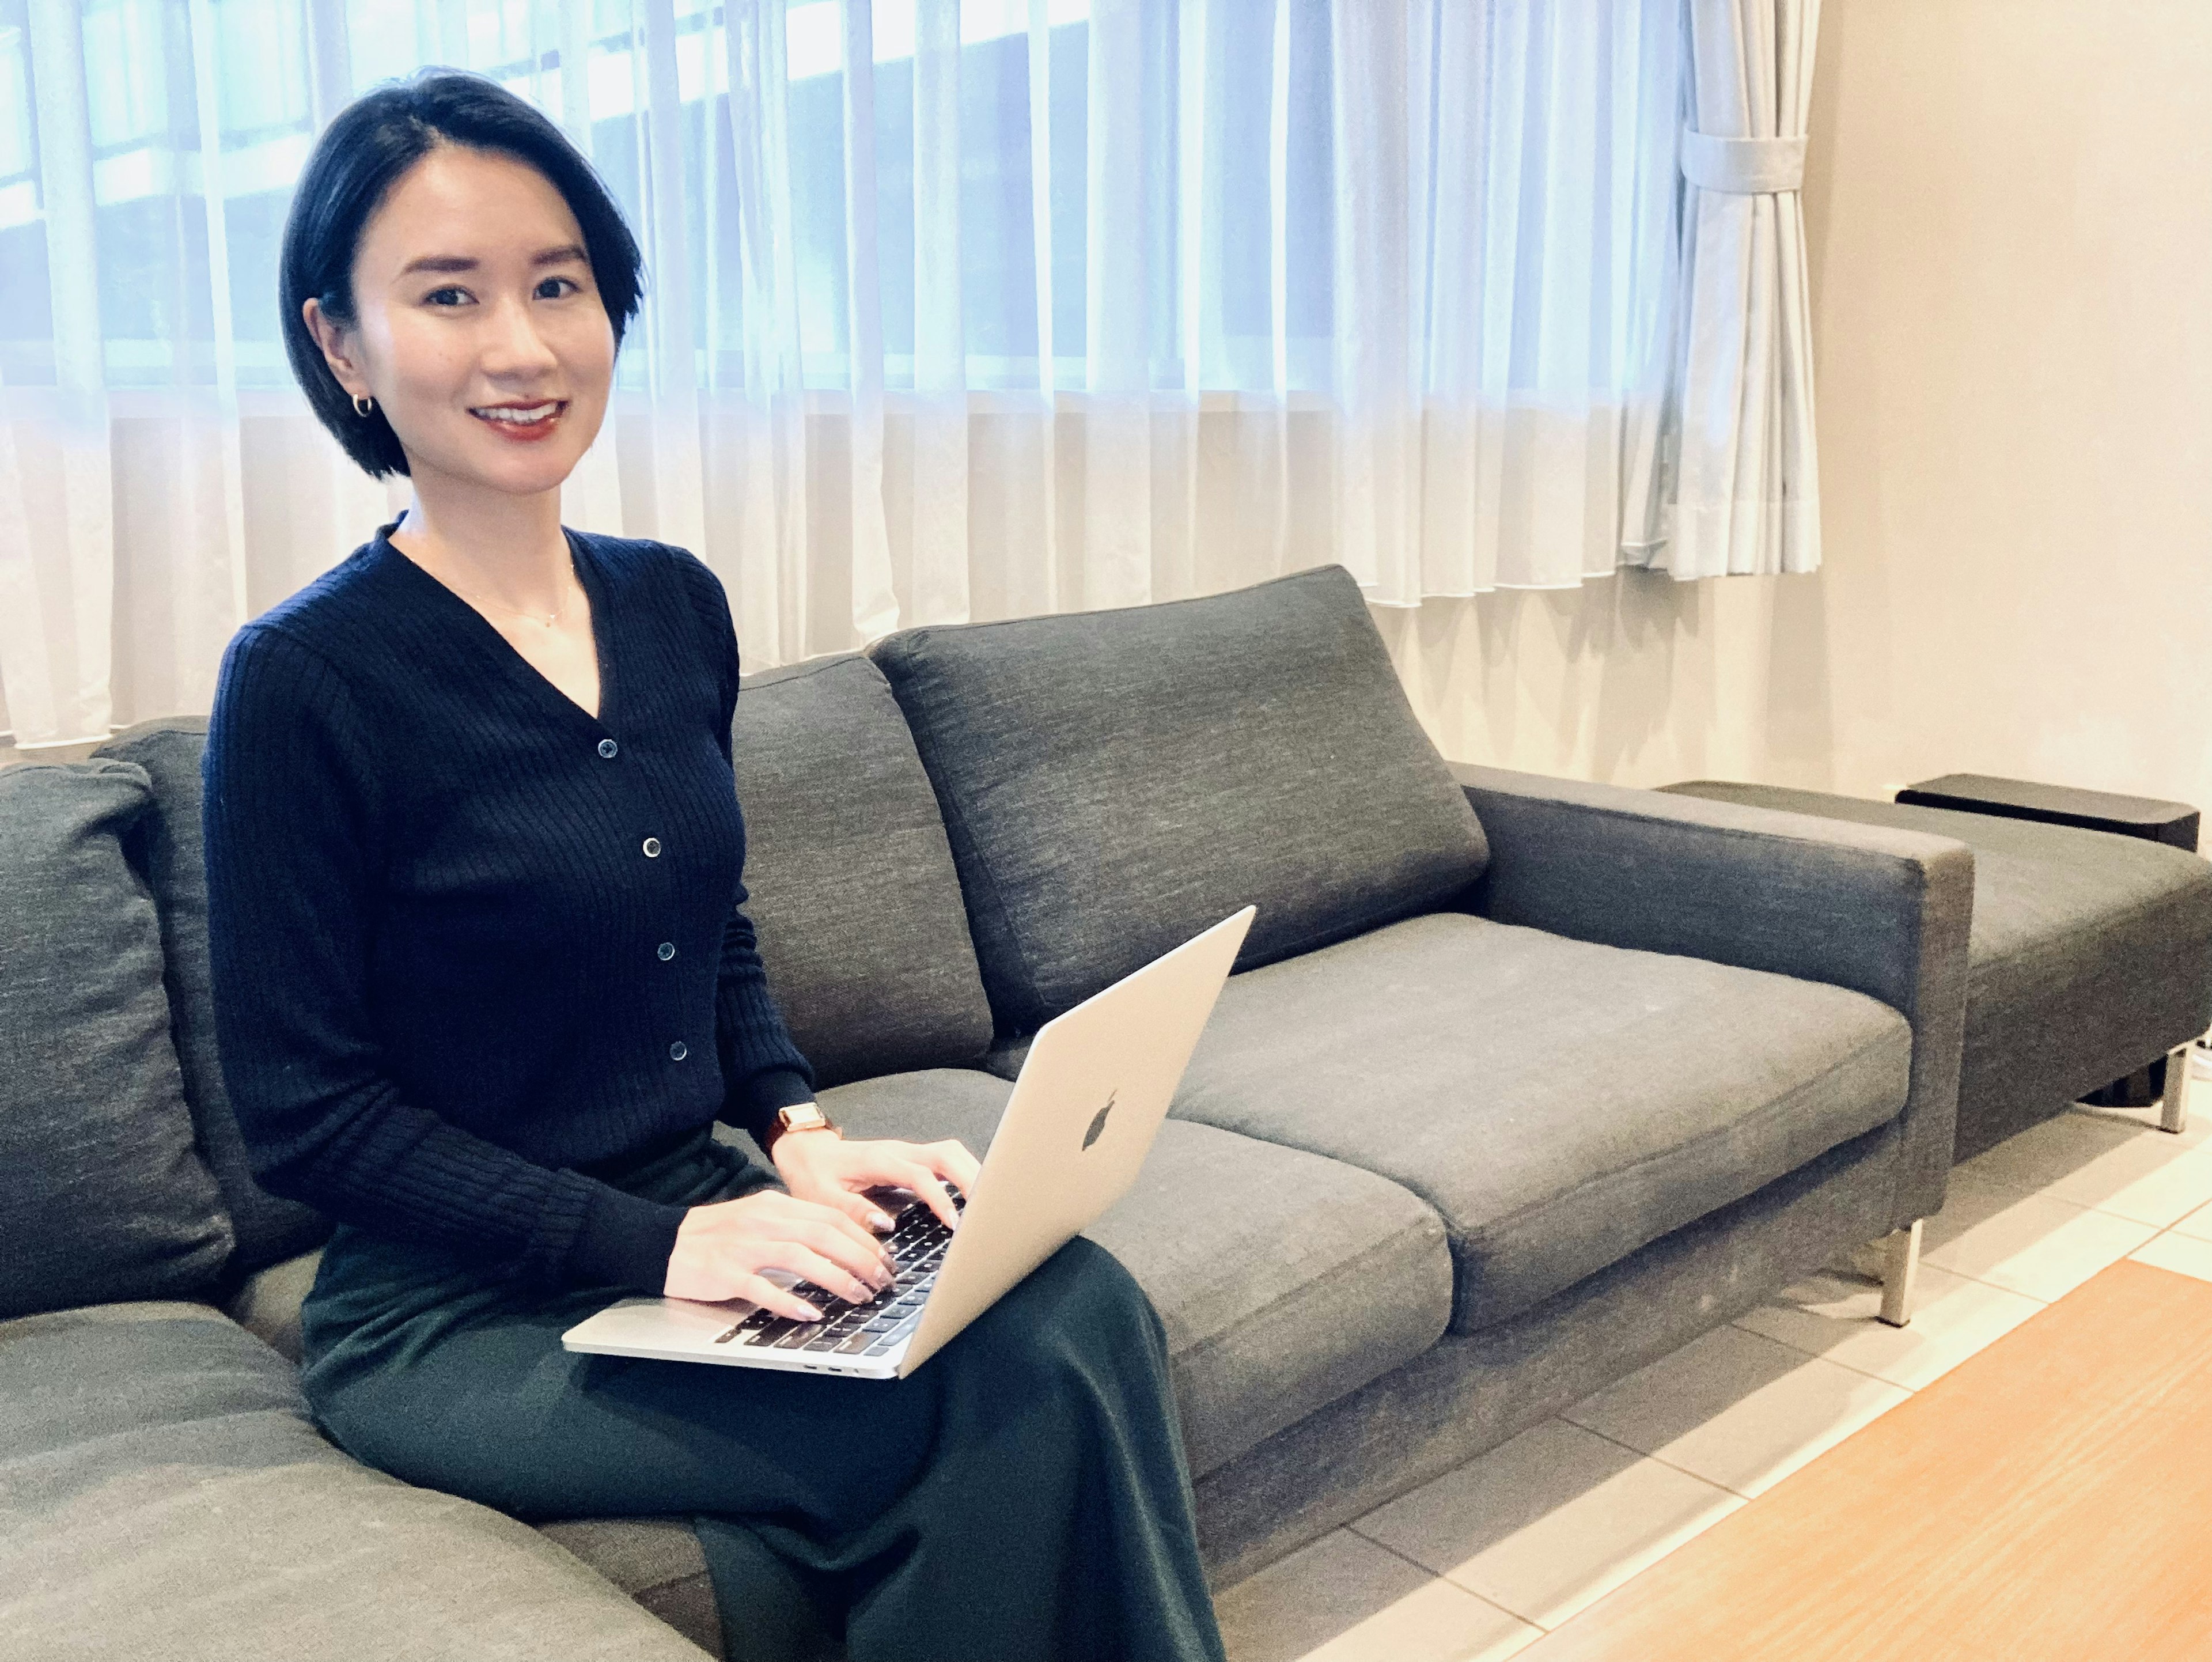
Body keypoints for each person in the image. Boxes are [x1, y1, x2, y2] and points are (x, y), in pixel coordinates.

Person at [202, 67, 1226, 1662]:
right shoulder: (304, 681)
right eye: (448, 295)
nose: (524, 344)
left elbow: (710, 921)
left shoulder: (671, 604)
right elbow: (306, 1120)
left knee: (1075, 1299)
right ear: (341, 343)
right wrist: (663, 1244)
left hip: (710, 1210)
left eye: (559, 284)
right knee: (987, 1406)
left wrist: (794, 1125)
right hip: (457, 1308)